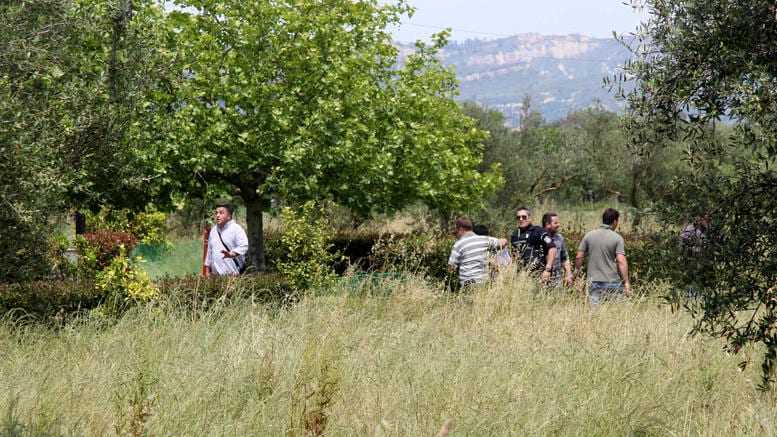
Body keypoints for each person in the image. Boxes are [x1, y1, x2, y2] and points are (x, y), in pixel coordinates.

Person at [575, 208, 631, 305]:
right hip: (613, 281)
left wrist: (576, 273)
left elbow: (579, 256)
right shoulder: (617, 238)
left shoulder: (589, 235)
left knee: (595, 314)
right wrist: (626, 282)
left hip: (593, 281)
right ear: (614, 221)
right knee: (616, 312)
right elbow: (621, 261)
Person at [448, 217, 508, 288]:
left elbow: (451, 268)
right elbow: (504, 241)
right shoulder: (485, 239)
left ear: (461, 229)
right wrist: (495, 249)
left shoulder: (458, 244)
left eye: (456, 232)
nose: (456, 235)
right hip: (484, 281)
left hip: (468, 283)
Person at [510, 206, 557, 283]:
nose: (521, 219)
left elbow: (552, 248)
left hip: (539, 275)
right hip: (521, 277)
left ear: (530, 218)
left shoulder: (538, 231)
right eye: (518, 217)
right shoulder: (515, 235)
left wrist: (548, 269)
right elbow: (514, 256)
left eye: (524, 217)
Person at [204, 202, 249, 277]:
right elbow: (209, 251)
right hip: (215, 276)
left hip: (233, 276)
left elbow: (244, 245)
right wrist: (207, 271)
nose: (217, 215)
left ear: (229, 216)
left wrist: (232, 254)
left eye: (221, 213)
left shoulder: (236, 229)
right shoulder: (213, 230)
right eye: (216, 213)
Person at [541, 212, 573, 288]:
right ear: (547, 224)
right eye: (555, 223)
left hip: (557, 280)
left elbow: (564, 258)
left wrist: (568, 274)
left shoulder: (559, 238)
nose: (558, 225)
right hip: (542, 278)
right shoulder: (538, 237)